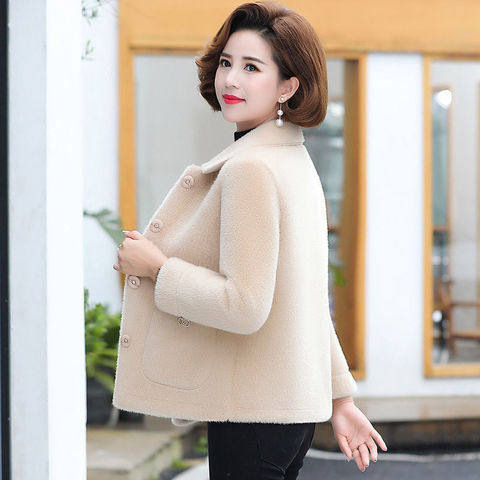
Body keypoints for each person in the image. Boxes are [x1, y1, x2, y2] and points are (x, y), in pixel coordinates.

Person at [112, 1, 387, 478]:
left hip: (252, 416)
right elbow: (303, 300)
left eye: (252, 67)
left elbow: (244, 306)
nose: (231, 80)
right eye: (226, 62)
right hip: (286, 413)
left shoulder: (250, 170)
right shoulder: (293, 161)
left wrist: (155, 267)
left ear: (287, 87)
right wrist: (340, 398)